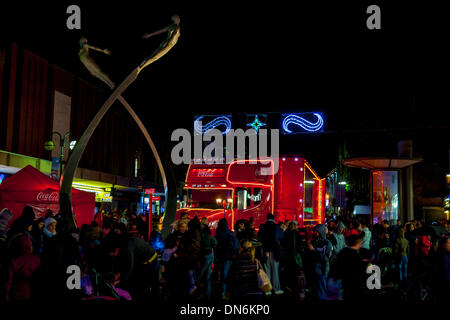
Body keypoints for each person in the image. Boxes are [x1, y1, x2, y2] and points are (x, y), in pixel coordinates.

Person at [4, 234, 41, 301]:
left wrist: (6, 296)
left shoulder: (13, 261)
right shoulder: (37, 259)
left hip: (16, 295)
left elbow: (7, 282)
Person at [258, 213, 284, 295]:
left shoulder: (262, 227)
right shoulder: (276, 227)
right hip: (274, 251)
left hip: (265, 251)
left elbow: (259, 239)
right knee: (275, 271)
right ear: (273, 219)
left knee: (267, 271)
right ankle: (276, 289)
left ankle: (267, 289)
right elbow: (281, 237)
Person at [333, 234, 364, 301]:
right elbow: (358, 271)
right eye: (361, 243)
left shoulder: (343, 251)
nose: (361, 245)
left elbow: (336, 266)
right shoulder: (355, 255)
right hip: (352, 283)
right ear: (357, 243)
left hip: (343, 283)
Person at [307, 224, 332, 300]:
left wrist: (313, 250)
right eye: (314, 231)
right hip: (313, 271)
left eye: (316, 231)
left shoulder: (327, 243)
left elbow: (325, 258)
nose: (315, 233)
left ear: (321, 232)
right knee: (314, 293)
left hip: (322, 271)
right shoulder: (314, 241)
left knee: (321, 293)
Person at [215, 218, 238, 299]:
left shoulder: (218, 233)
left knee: (222, 274)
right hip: (229, 256)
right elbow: (235, 245)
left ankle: (223, 292)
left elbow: (216, 246)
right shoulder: (230, 233)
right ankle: (228, 292)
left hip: (221, 256)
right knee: (228, 274)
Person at [198, 217, 217, 301]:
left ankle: (198, 293)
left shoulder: (199, 234)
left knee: (199, 275)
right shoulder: (208, 235)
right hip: (209, 255)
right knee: (207, 277)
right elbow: (214, 243)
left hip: (202, 255)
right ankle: (207, 296)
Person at [430, 237, 450, 302]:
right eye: (449, 243)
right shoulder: (444, 256)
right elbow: (445, 274)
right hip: (444, 287)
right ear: (444, 245)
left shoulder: (442, 253)